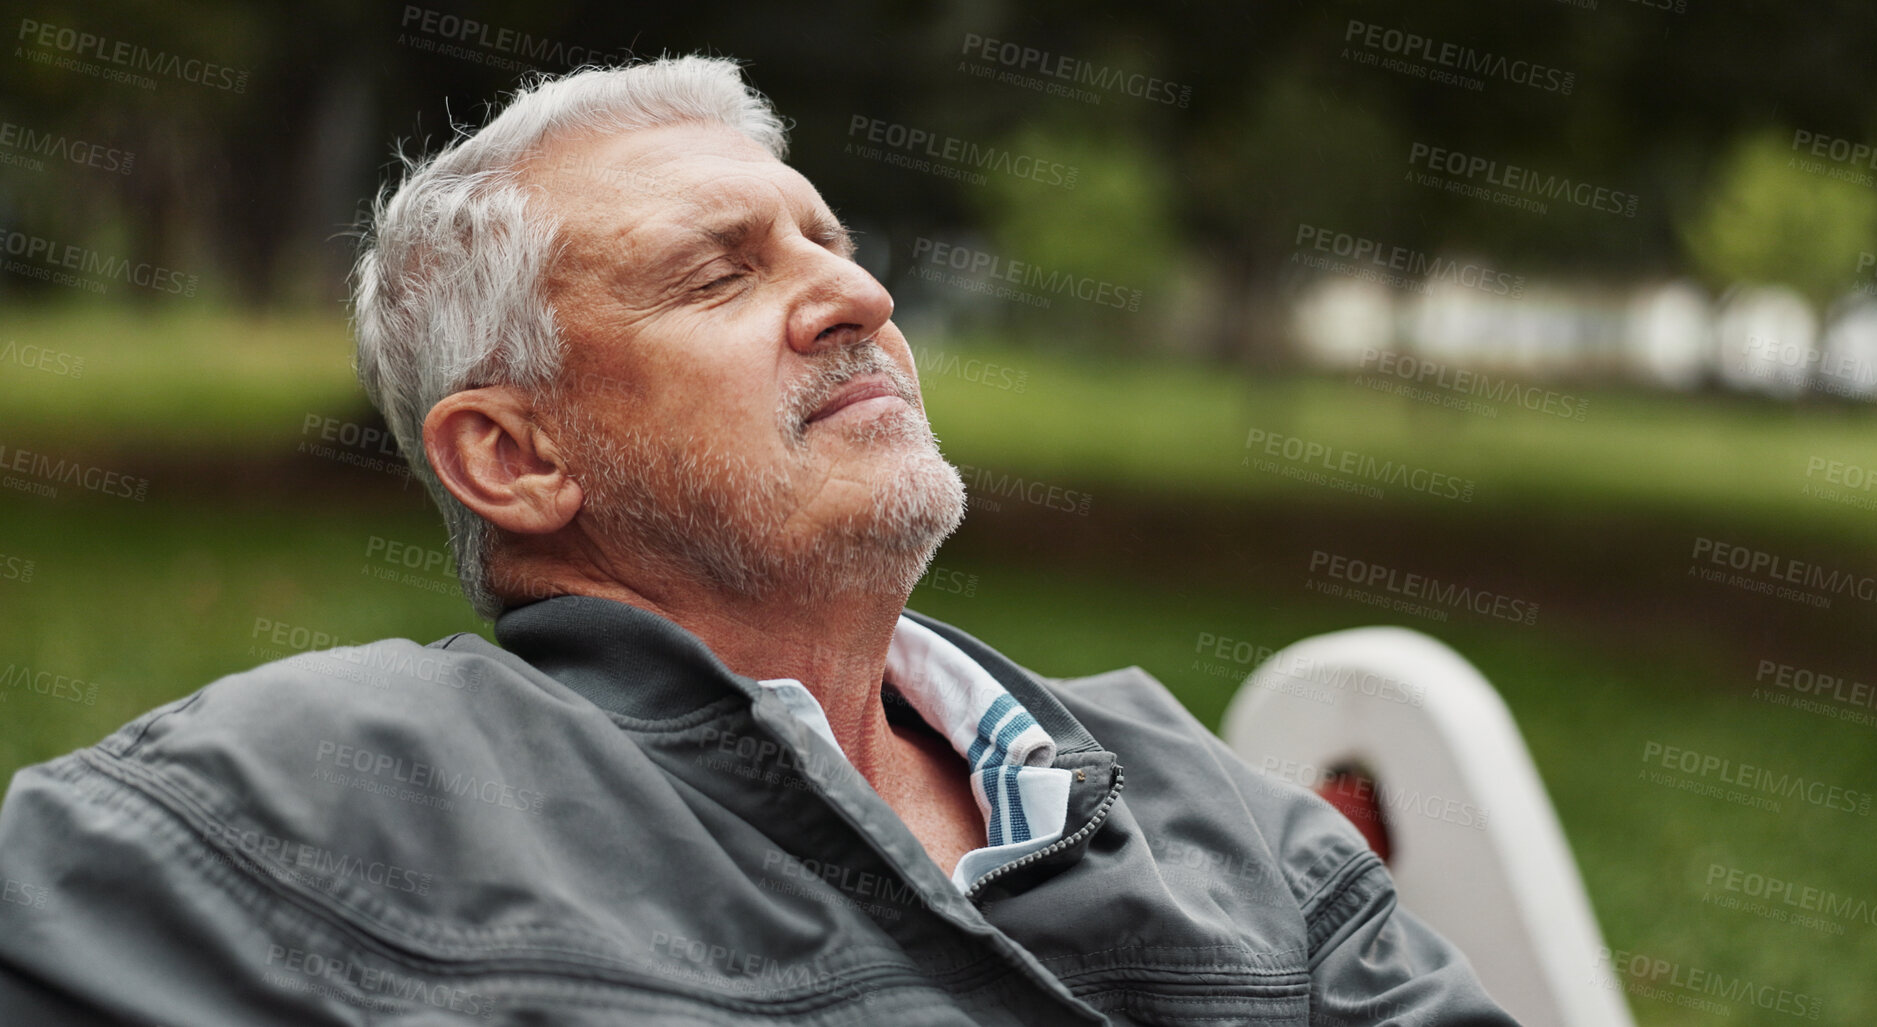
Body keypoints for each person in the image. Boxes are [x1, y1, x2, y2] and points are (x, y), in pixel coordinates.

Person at [0, 56, 1516, 1025]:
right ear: (516, 456)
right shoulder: (320, 788)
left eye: (834, 248)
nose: (857, 300)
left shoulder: (1202, 804)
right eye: (719, 275)